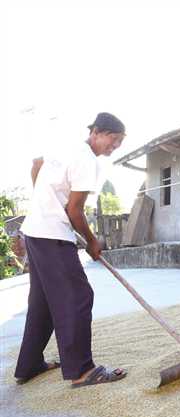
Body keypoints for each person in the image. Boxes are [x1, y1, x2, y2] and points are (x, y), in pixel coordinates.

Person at [15, 112, 128, 388]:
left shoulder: (66, 148)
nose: (114, 147)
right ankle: (81, 370)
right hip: (52, 235)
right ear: (97, 132)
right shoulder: (87, 160)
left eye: (119, 143)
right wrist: (92, 241)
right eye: (113, 140)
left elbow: (36, 164)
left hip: (35, 230)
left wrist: (44, 200)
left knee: (42, 303)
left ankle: (29, 365)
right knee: (77, 297)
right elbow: (74, 210)